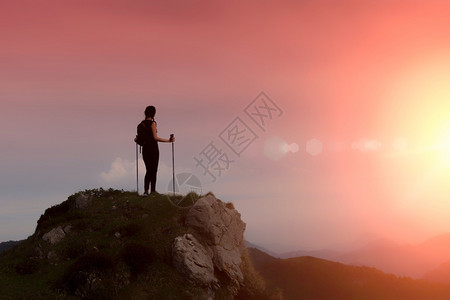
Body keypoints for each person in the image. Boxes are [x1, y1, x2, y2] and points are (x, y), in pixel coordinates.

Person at [135, 106, 175, 196]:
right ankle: (153, 191)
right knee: (154, 169)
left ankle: (146, 190)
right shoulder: (153, 123)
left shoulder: (141, 124)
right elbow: (155, 138)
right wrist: (169, 141)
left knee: (148, 170)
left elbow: (137, 139)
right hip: (153, 149)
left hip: (145, 149)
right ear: (153, 113)